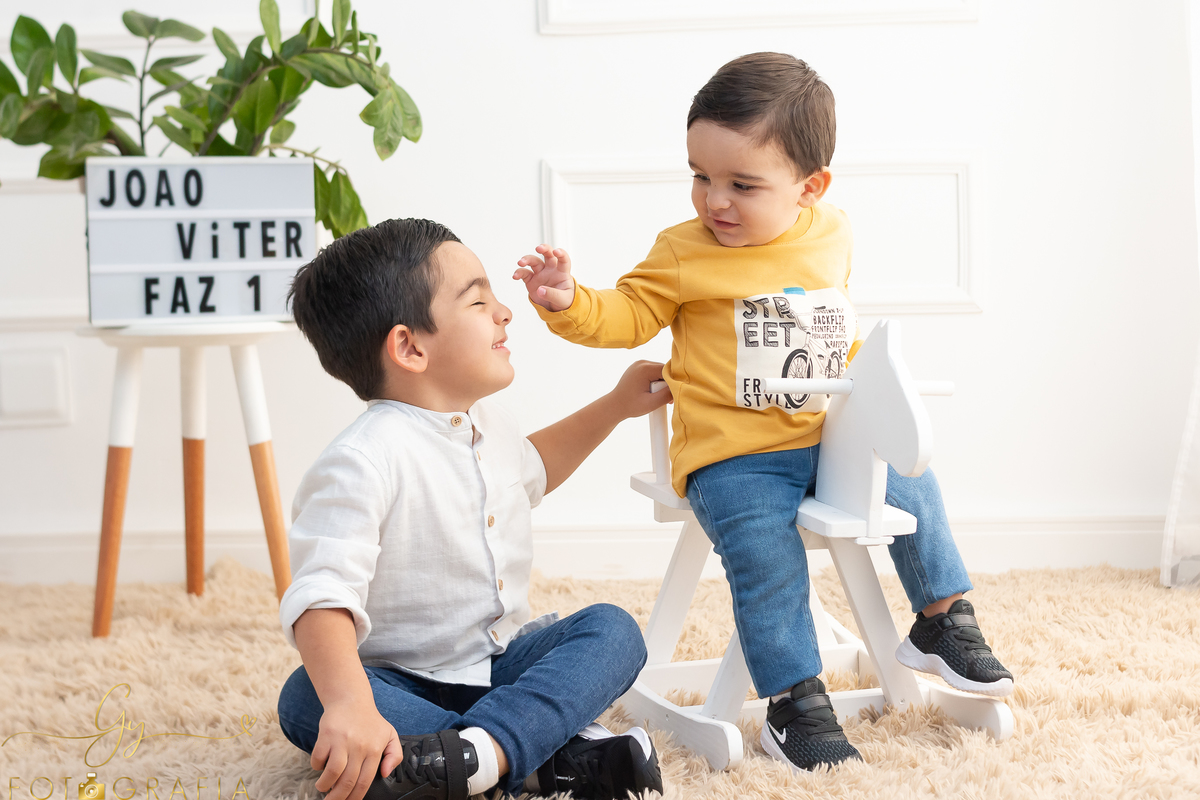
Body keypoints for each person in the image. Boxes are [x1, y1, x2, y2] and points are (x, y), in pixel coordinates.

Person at [513, 52, 1014, 773]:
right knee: (767, 558)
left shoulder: (832, 231)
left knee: (913, 483)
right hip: (731, 456)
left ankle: (943, 619)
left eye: (742, 185)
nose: (714, 201)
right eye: (700, 176)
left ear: (810, 188)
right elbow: (627, 313)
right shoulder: (684, 252)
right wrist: (568, 300)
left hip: (825, 430)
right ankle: (793, 703)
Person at [277, 217, 668, 800]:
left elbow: (533, 470)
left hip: (503, 663)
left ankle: (474, 758)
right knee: (308, 695)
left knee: (613, 630)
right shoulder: (364, 459)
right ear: (410, 347)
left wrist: (614, 406)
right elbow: (320, 594)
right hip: (403, 683)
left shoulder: (488, 423)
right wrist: (351, 704)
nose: (504, 312)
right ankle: (540, 756)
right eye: (479, 300)